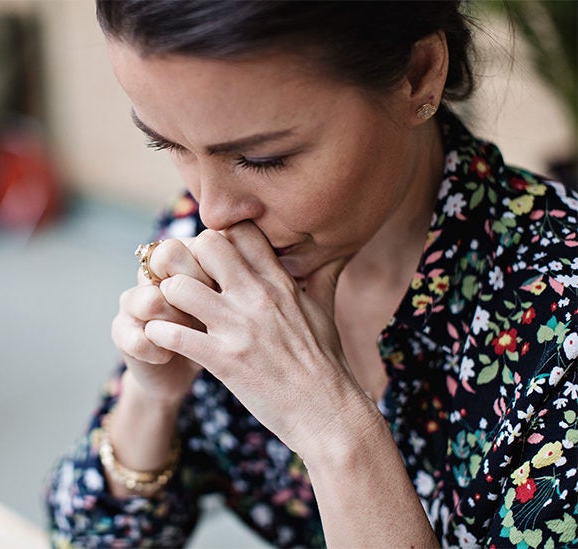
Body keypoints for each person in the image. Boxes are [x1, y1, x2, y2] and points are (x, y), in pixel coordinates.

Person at [44, 2, 578, 547]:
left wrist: (333, 428)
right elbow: (88, 537)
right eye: (169, 145)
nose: (213, 210)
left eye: (264, 158)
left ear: (418, 75)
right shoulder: (204, 238)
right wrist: (151, 397)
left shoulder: (561, 317)